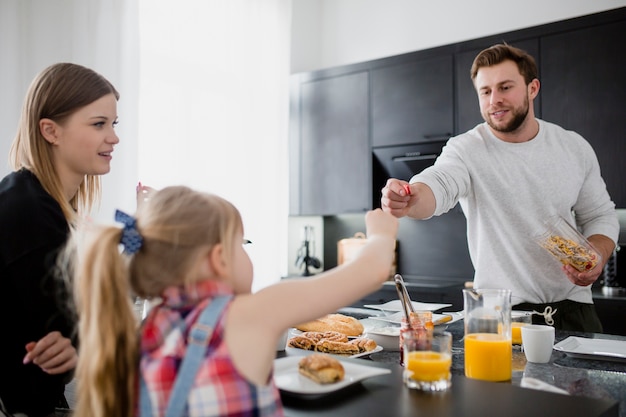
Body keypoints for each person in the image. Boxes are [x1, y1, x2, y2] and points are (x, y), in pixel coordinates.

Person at [66, 185, 397, 417]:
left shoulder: (146, 331)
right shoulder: (247, 315)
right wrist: (381, 232)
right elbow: (371, 270)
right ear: (220, 258)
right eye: (243, 244)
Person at [381, 43, 619, 333]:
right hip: (496, 317)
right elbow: (440, 183)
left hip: (574, 311)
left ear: (532, 88)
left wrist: (598, 255)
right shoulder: (466, 149)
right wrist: (412, 198)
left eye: (505, 87)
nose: (495, 100)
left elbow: (600, 215)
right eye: (486, 91)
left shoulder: (573, 147)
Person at [0, 62, 120, 416]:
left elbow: (70, 333)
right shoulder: (28, 212)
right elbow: (58, 344)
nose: (113, 137)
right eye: (99, 124)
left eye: (114, 124)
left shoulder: (42, 204)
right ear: (51, 131)